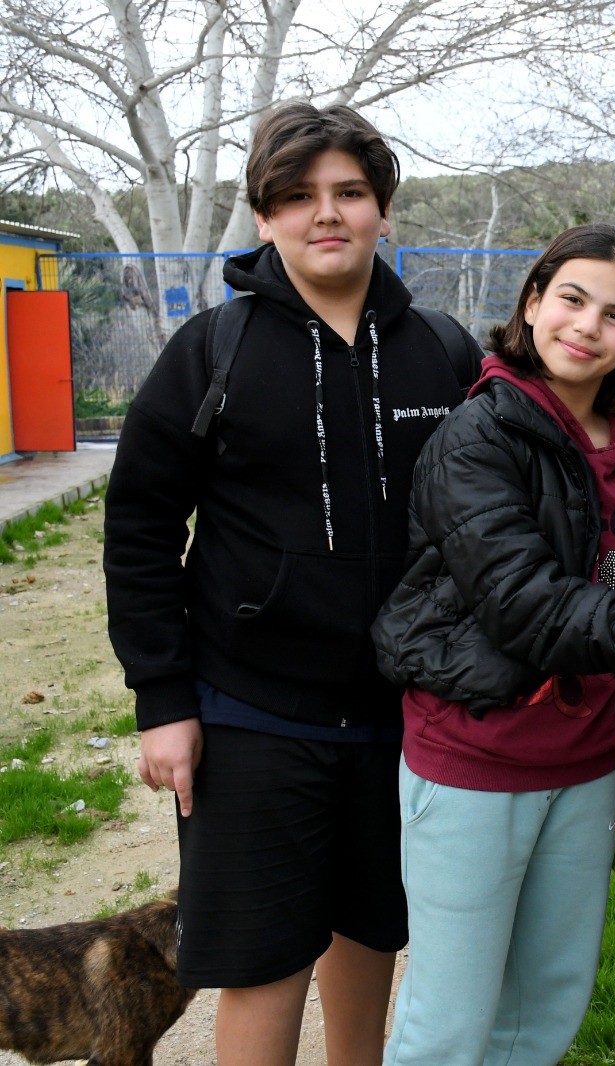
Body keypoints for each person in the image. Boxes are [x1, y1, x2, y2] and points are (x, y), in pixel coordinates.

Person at [103, 102, 482, 1066]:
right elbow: (142, 524)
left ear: (383, 212)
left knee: (371, 940)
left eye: (350, 193)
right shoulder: (212, 353)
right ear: (264, 218)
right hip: (251, 714)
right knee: (266, 963)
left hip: (406, 719)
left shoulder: (443, 350)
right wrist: (164, 698)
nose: (327, 214)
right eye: (298, 196)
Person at [369, 223, 615, 1066]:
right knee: (450, 1022)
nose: (588, 326)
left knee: (542, 1012)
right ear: (532, 303)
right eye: (572, 300)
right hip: (474, 755)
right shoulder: (476, 437)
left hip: (586, 764)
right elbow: (522, 604)